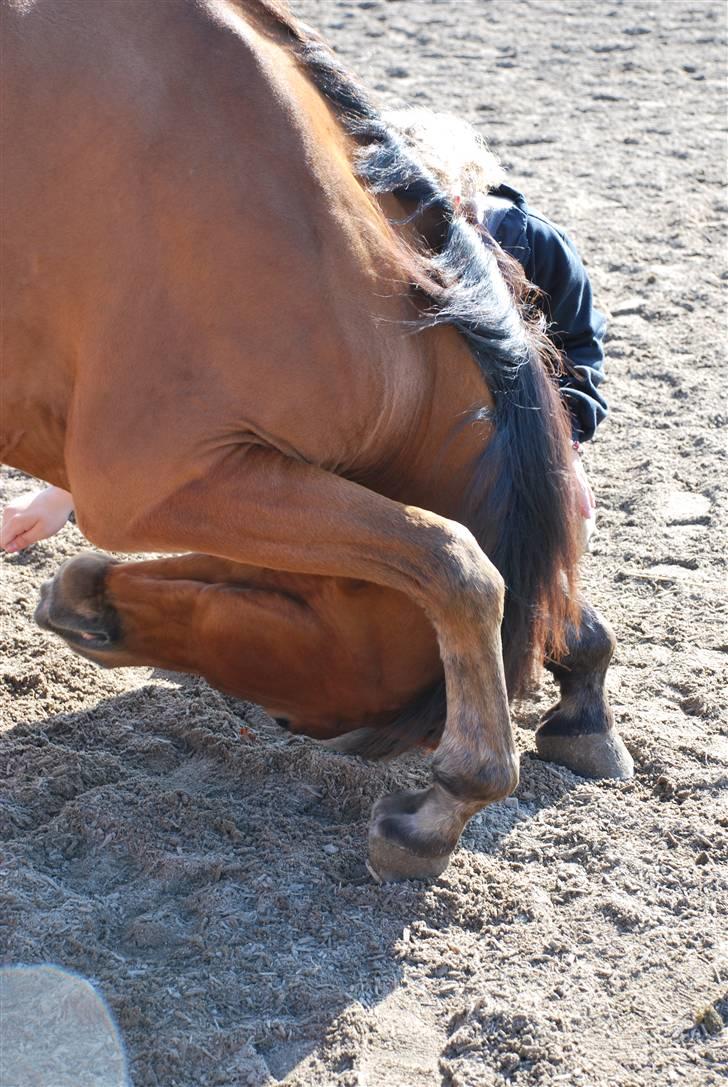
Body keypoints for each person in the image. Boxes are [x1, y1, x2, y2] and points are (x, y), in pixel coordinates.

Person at [2, 111, 605, 553]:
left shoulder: (536, 246)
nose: (402, 241)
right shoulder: (341, 260)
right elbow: (210, 388)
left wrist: (560, 453)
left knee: (568, 520)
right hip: (378, 449)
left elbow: (579, 361)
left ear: (459, 200)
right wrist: (60, 495)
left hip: (507, 442)